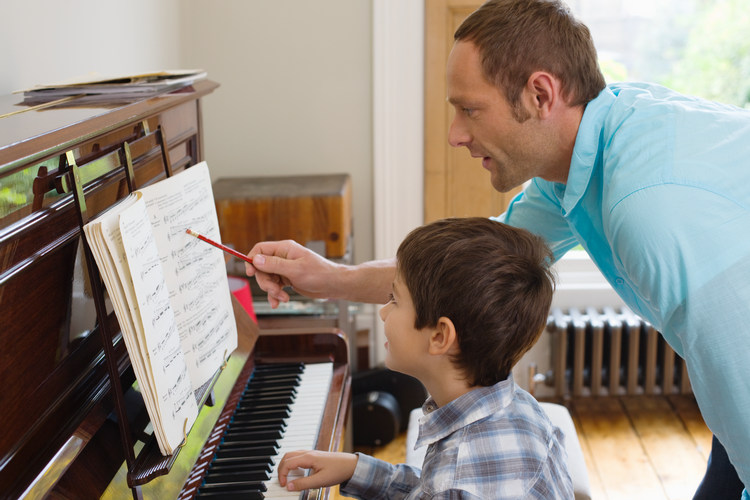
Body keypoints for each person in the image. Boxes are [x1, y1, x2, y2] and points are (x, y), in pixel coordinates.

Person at [246, 0, 750, 497]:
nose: (455, 135)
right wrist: (327, 277)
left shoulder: (650, 210)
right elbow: (455, 272)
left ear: (539, 94)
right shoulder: (578, 158)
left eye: (470, 109)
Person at [274, 217, 572, 499]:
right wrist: (355, 468)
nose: (383, 311)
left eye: (394, 299)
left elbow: (444, 488)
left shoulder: (453, 480)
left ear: (440, 337)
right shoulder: (521, 409)